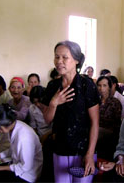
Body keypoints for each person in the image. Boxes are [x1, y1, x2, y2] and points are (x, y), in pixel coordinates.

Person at [41, 40, 100, 183]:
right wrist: (54, 103)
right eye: (56, 57)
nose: (59, 61)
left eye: (64, 57)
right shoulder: (52, 86)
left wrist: (90, 154)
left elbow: (95, 123)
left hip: (83, 150)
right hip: (60, 148)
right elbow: (47, 119)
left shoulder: (87, 85)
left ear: (76, 60)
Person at [0, 104, 43, 182]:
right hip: (18, 165)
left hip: (27, 175)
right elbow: (14, 149)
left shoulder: (24, 138)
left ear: (7, 123)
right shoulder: (15, 125)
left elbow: (25, 167)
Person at [96, 76, 122, 161]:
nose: (101, 88)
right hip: (94, 131)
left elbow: (117, 125)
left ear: (109, 87)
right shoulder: (94, 101)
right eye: (99, 85)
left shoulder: (115, 102)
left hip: (110, 133)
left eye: (104, 85)